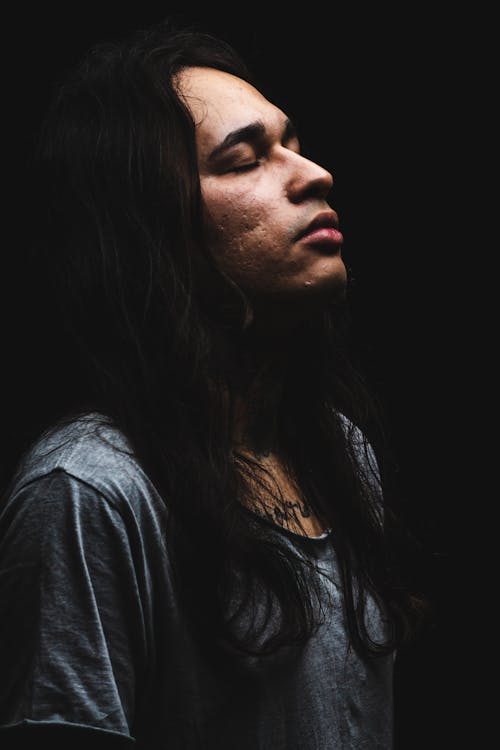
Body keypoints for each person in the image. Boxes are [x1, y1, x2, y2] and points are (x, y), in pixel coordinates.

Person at [0, 18, 427, 750]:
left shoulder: (340, 452)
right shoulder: (92, 493)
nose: (313, 172)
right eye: (245, 159)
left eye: (290, 141)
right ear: (152, 230)